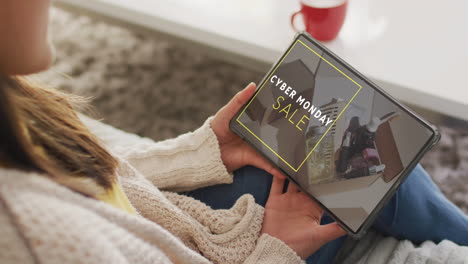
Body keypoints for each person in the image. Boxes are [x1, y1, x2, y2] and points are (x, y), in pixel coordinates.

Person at [0, 1, 467, 263]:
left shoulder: (12, 108)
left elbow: (97, 183)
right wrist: (277, 249)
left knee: (352, 145)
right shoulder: (33, 234)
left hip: (183, 224)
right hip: (235, 255)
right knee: (373, 167)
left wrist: (201, 151)